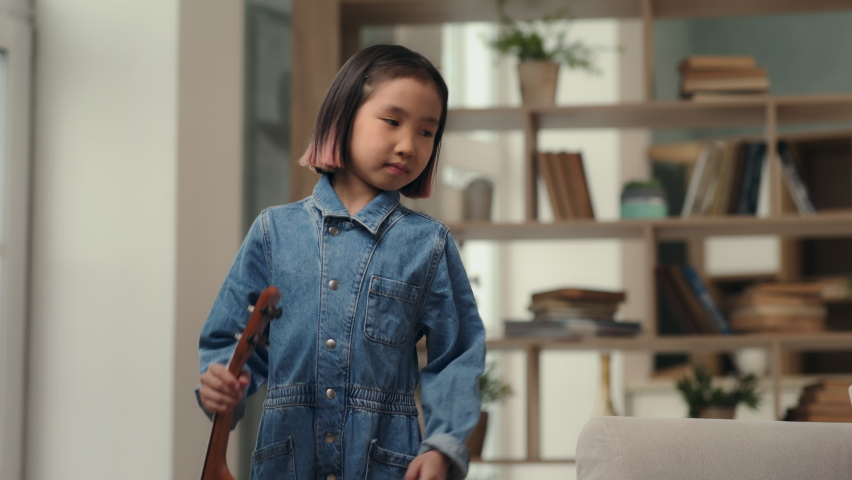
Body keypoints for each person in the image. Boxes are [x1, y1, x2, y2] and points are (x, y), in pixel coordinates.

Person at [197, 44, 486, 480]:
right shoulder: (274, 232)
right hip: (286, 465)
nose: (408, 145)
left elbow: (458, 354)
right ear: (343, 117)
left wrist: (442, 446)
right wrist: (219, 383)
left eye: (427, 132)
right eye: (392, 121)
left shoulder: (429, 244)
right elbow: (230, 338)